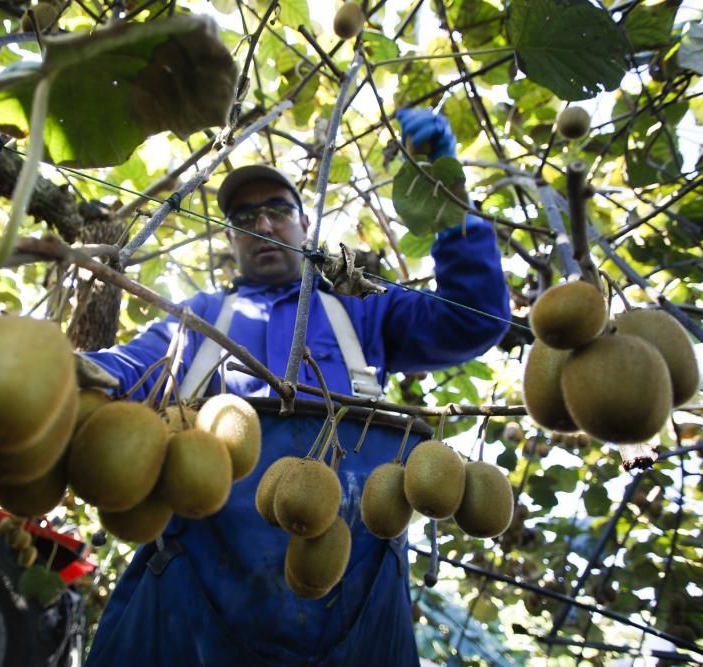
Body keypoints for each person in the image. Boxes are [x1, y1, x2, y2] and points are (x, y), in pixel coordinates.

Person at [81, 108, 510, 666]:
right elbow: (125, 370)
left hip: (354, 600)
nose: (262, 225)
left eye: (278, 210)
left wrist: (445, 191)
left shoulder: (359, 307)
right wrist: (65, 371)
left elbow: (474, 318)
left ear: (304, 225)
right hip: (197, 611)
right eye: (243, 217)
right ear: (231, 240)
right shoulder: (204, 316)